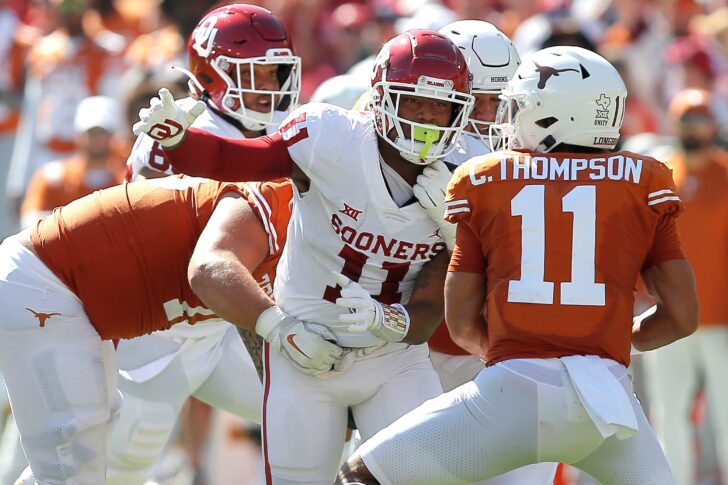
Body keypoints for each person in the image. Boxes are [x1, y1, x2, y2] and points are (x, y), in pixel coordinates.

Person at [335, 46, 699, 485]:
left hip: (512, 392)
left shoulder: (484, 177)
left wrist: (521, 351)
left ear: (550, 115)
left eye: (520, 106)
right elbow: (681, 317)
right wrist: (602, 342)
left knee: (361, 475)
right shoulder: (646, 179)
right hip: (607, 404)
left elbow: (462, 320)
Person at [134, 29, 475, 484]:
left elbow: (429, 309)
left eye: (440, 106)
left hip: (393, 358)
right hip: (303, 347)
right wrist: (181, 144)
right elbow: (241, 160)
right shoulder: (330, 139)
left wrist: (391, 318)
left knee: (419, 478)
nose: (427, 119)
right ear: (382, 98)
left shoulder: (458, 181)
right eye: (413, 101)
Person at [0, 170, 347, 484]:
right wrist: (280, 327)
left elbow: (241, 310)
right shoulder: (274, 203)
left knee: (91, 456)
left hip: (76, 301)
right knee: (74, 471)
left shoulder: (306, 234)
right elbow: (210, 272)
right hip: (47, 287)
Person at [106, 5, 302, 482]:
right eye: (256, 73)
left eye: (277, 73)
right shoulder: (183, 133)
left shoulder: (276, 134)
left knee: (312, 418)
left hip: (215, 332)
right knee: (117, 464)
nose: (270, 87)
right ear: (212, 74)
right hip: (159, 335)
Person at [644, 88, 728, 485]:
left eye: (700, 119)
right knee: (669, 412)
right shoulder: (662, 176)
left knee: (726, 417)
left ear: (713, 123)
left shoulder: (726, 174)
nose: (693, 128)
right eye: (686, 120)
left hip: (721, 318)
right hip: (670, 318)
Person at [20, 96, 126, 229]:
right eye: (91, 132)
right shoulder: (51, 179)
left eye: (102, 132)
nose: (96, 139)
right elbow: (30, 223)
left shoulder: (125, 182)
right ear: (78, 135)